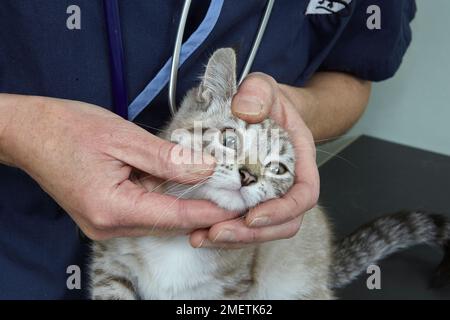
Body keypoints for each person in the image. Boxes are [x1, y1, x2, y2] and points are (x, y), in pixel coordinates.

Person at [0, 0, 416, 299]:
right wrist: (15, 128)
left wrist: (299, 109)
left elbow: (354, 71)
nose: (249, 173)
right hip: (15, 236)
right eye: (232, 143)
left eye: (269, 168)